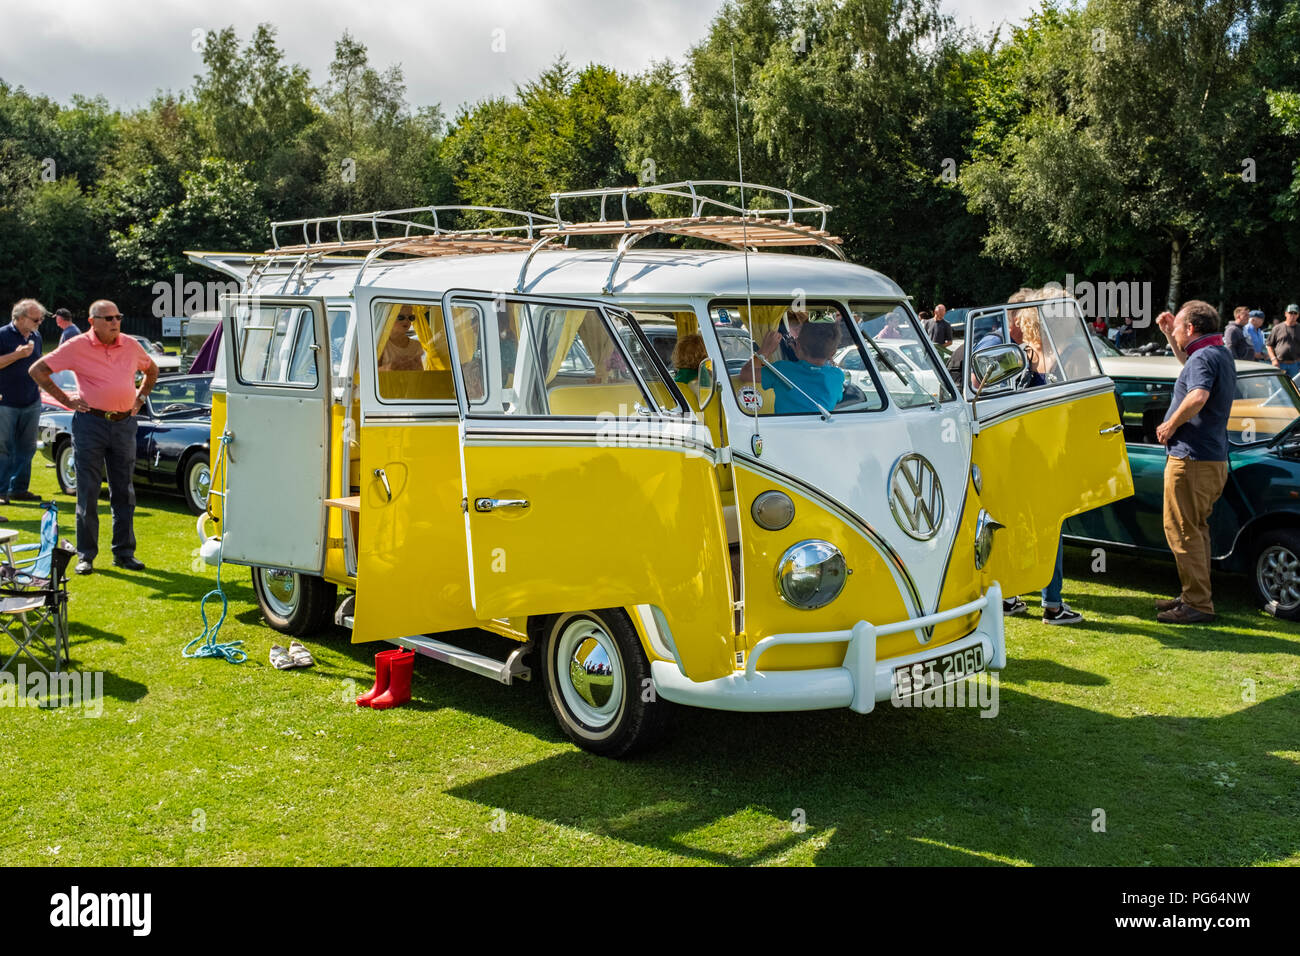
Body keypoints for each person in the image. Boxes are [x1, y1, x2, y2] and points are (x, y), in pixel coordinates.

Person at [29, 299, 158, 575]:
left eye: (118, 317)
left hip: (124, 424)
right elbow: (37, 370)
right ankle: (86, 555)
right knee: (87, 491)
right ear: (92, 322)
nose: (115, 323)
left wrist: (140, 398)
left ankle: (124, 553)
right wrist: (66, 399)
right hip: (91, 424)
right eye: (108, 318)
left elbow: (152, 370)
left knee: (124, 491)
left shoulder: (130, 345)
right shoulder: (77, 346)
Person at [1152, 300, 1236, 624]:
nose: (1173, 330)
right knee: (1195, 531)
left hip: (1191, 459)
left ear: (1191, 329)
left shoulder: (1203, 358)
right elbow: (1189, 364)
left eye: (1177, 327)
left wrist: (1170, 424)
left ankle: (1197, 604)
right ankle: (1193, 595)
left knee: (1182, 531)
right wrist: (1169, 336)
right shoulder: (1218, 353)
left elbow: (1197, 395)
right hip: (1211, 459)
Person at [0, 299, 47, 521]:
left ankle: (18, 488)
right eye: (35, 319)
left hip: (31, 399)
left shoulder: (36, 336)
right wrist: (17, 355)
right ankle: (1, 492)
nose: (40, 322)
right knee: (4, 448)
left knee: (27, 448)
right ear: (19, 318)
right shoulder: (2, 335)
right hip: (5, 401)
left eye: (41, 318)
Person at [738, 319, 843, 414]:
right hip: (820, 433)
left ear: (798, 345)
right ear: (833, 353)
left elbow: (745, 373)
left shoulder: (782, 370)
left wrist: (764, 351)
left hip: (785, 433)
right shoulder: (837, 376)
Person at [1266, 303, 1300, 378]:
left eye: (1295, 313)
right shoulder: (1277, 328)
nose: (1293, 315)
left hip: (1296, 364)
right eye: (1290, 313)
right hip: (1279, 363)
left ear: (1298, 315)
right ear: (1285, 314)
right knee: (1277, 386)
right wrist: (1273, 359)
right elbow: (1269, 345)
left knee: (1295, 387)